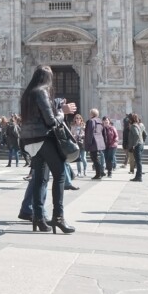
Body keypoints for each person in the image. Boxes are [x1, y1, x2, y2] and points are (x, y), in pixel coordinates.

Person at [20, 65, 75, 235]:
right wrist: (62, 112)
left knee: (39, 179)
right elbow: (51, 121)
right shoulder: (41, 92)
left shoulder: (26, 94)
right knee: (59, 176)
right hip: (43, 139)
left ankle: (38, 218)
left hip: (30, 141)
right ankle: (58, 218)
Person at [85, 108, 105, 180]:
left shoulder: (91, 121)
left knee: (94, 158)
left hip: (93, 142)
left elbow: (89, 132)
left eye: (90, 113)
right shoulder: (100, 121)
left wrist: (88, 143)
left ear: (92, 114)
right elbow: (103, 132)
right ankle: (101, 172)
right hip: (99, 141)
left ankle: (98, 174)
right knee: (95, 158)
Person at [128, 113, 145, 182]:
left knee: (138, 162)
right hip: (140, 144)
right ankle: (138, 176)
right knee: (138, 161)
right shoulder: (137, 125)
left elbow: (137, 135)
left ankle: (139, 177)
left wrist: (134, 145)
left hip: (137, 145)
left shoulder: (133, 126)